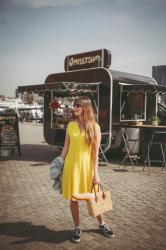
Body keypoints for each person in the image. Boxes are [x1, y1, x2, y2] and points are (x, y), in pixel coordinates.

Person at [60, 96, 114, 243]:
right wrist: (59, 163)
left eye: (78, 105)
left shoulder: (94, 127)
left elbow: (95, 153)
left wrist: (96, 173)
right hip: (71, 167)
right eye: (74, 105)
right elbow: (66, 147)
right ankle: (77, 227)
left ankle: (102, 224)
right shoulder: (70, 125)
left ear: (85, 107)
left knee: (94, 198)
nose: (75, 108)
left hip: (88, 168)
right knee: (74, 198)